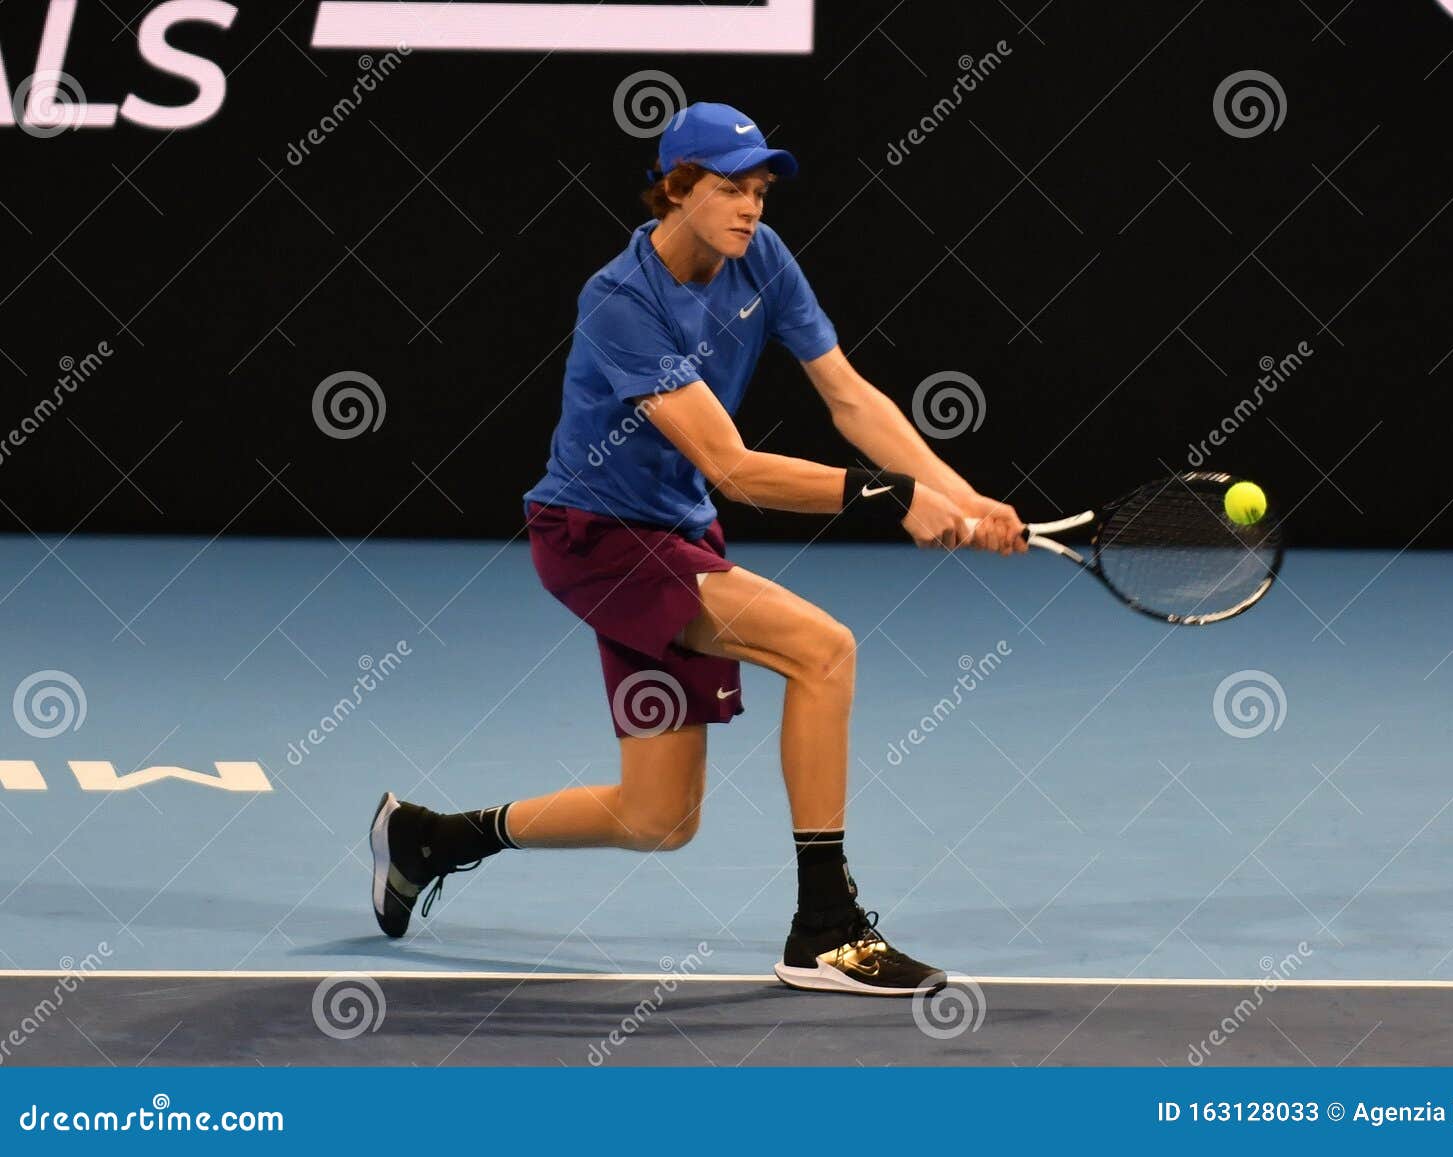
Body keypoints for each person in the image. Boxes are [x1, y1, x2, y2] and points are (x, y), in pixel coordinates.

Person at [369, 101, 1025, 995]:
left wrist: (959, 495)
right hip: (597, 540)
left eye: (759, 189)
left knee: (657, 815)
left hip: (672, 533)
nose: (750, 206)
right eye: (728, 187)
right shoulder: (621, 301)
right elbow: (732, 465)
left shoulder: (762, 259)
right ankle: (826, 929)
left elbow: (848, 395)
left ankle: (432, 836)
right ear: (676, 190)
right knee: (823, 650)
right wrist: (891, 497)